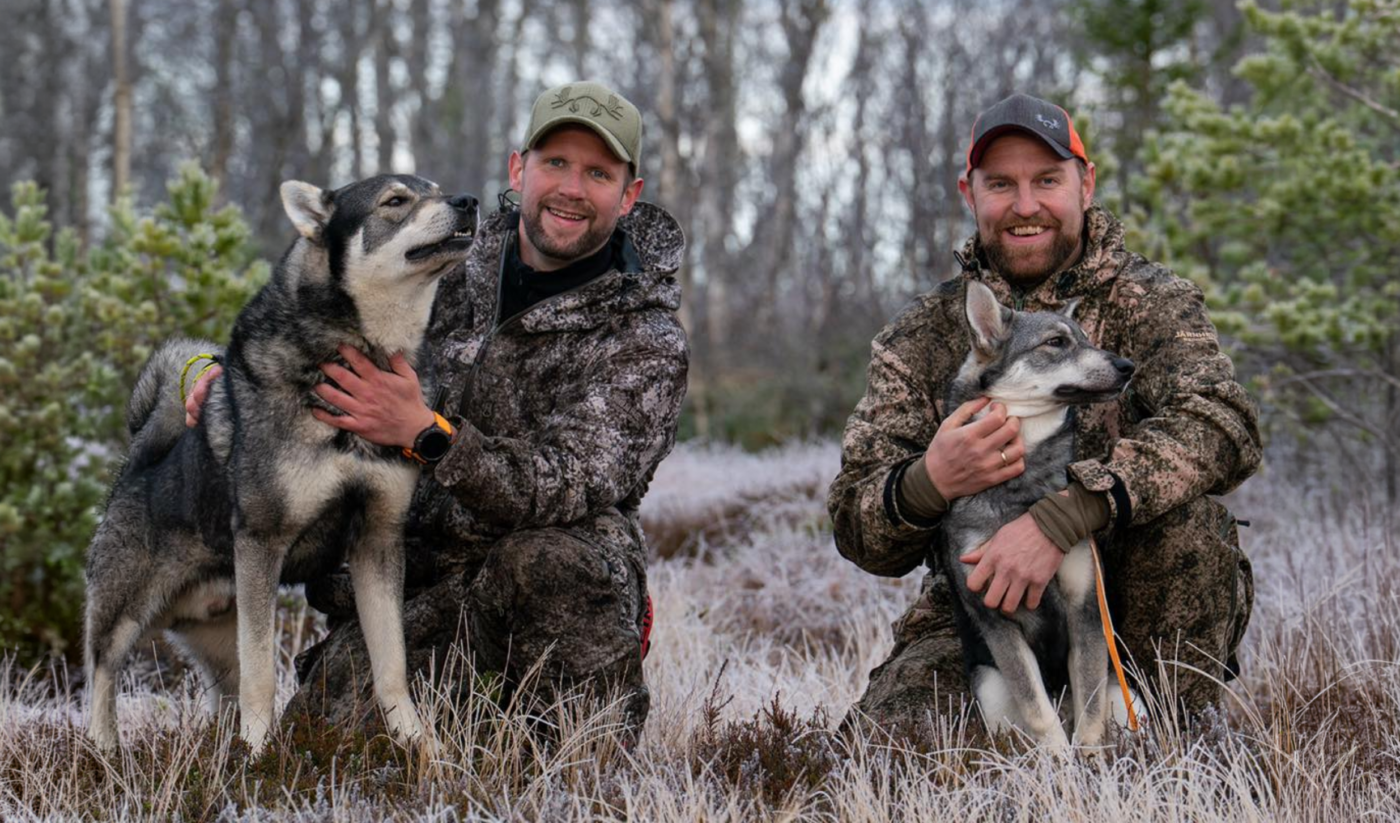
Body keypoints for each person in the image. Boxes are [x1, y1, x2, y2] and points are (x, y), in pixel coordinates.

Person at [187, 80, 688, 731]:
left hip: (545, 581)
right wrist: (220, 375)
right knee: (338, 747)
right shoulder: (435, 257)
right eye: (556, 162)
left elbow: (570, 481)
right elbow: (314, 321)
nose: (571, 187)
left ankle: (579, 737)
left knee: (552, 567)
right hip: (412, 581)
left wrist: (428, 434)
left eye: (598, 173)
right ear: (519, 169)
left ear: (628, 195)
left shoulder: (644, 336)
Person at [827, 93, 1261, 732]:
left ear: (1085, 184)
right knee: (893, 750)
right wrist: (928, 482)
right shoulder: (920, 336)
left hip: (1140, 592)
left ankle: (1166, 731)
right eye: (1001, 183)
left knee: (1192, 533)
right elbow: (856, 527)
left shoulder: (1153, 301)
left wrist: (1071, 513)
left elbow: (1225, 423)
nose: (1025, 205)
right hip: (983, 607)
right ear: (970, 193)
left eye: (1048, 180)